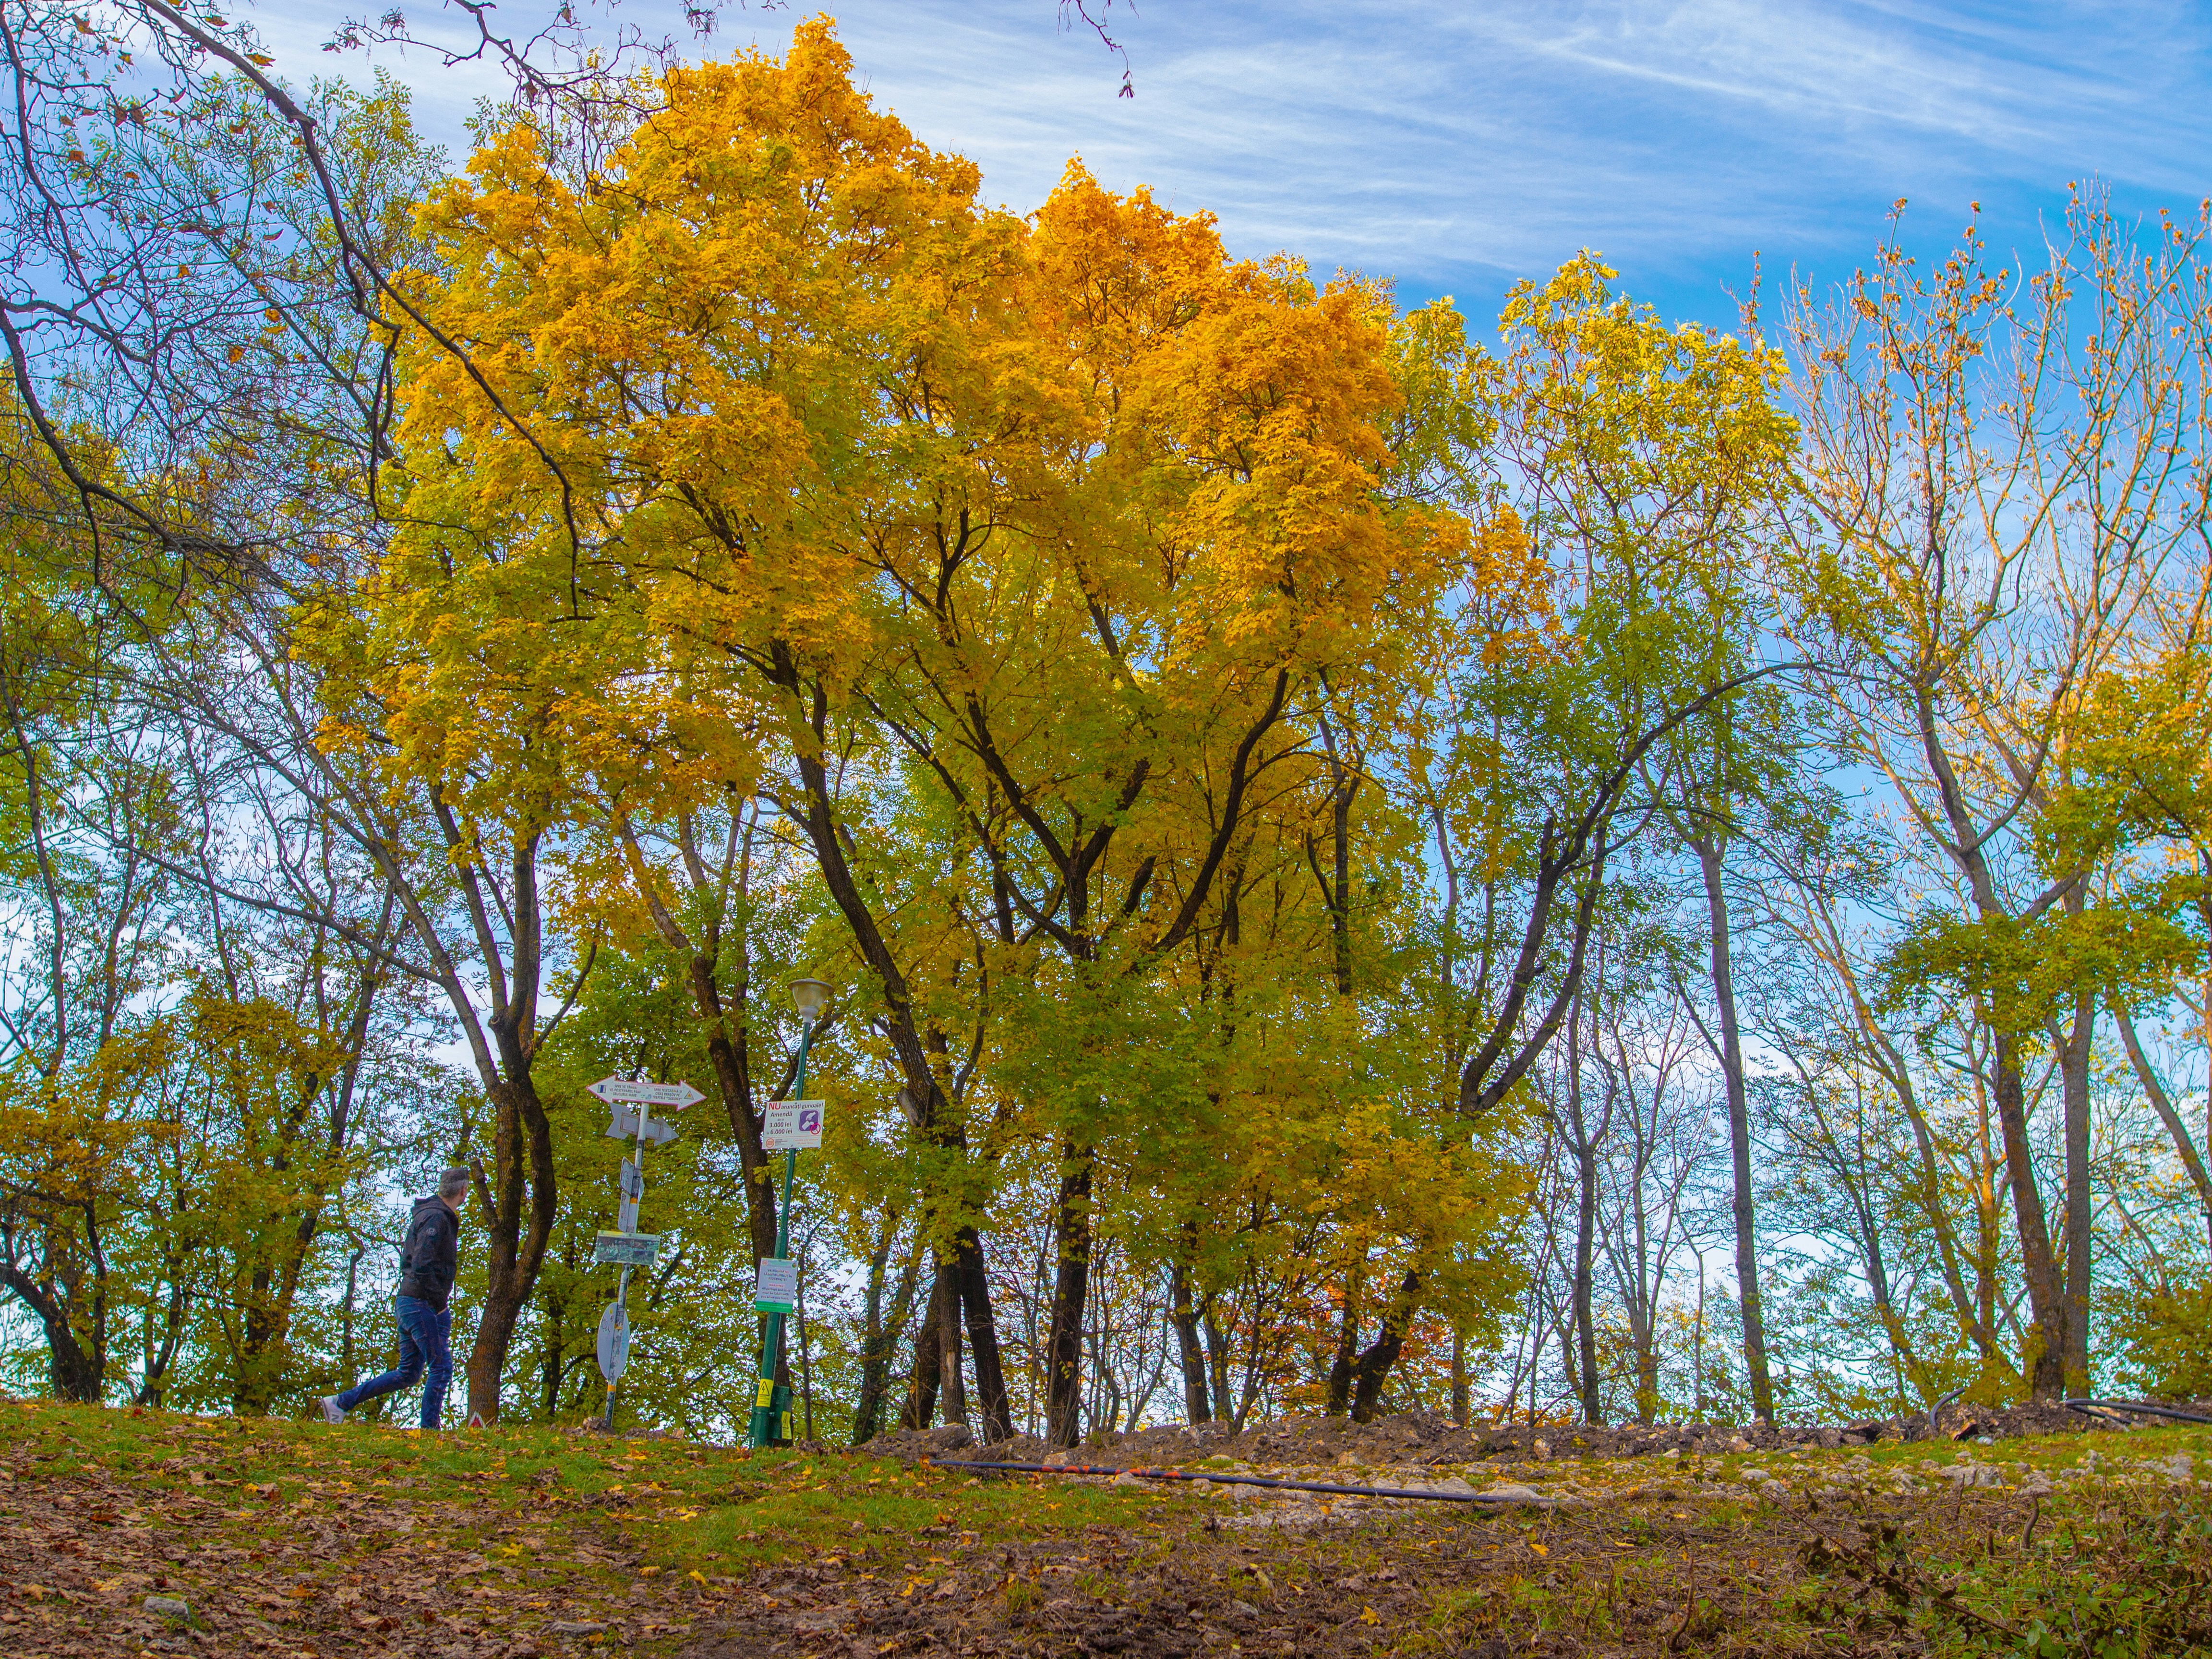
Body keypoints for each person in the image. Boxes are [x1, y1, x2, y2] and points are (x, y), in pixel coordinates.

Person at [320, 1167, 468, 1430]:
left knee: (408, 1374)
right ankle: (430, 1433)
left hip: (411, 1302)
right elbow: (421, 1264)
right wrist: (439, 1301)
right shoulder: (436, 1218)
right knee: (441, 1366)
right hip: (419, 1303)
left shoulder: (433, 1214)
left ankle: (341, 1403)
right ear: (463, 1190)